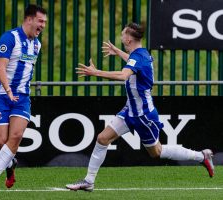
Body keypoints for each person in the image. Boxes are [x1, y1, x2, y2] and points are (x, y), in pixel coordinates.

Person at [66, 22, 214, 192]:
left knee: (156, 152)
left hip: (143, 115)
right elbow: (133, 62)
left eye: (123, 34)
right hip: (130, 111)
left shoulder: (138, 57)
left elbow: (123, 75)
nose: (121, 37)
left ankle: (202, 156)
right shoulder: (141, 54)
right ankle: (89, 181)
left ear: (129, 38)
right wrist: (118, 52)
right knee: (102, 138)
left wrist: (95, 72)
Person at [0, 4, 47, 194]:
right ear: (29, 19)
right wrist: (8, 90)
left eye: (44, 22)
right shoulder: (9, 38)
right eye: (40, 21)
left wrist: (17, 92)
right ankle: (10, 165)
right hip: (2, 95)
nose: (43, 25)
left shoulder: (37, 44)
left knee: (16, 136)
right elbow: (1, 67)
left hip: (22, 97)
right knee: (2, 143)